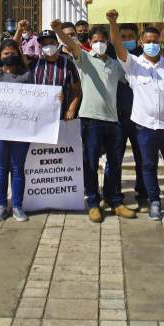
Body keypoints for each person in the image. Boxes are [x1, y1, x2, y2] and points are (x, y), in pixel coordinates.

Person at [106, 9, 164, 221]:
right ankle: (154, 202)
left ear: (160, 41)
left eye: (155, 40)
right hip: (144, 127)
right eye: (147, 40)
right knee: (148, 166)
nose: (151, 43)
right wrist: (113, 22)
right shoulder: (133, 64)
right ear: (142, 41)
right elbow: (116, 43)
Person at [53, 20, 135, 223]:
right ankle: (92, 202)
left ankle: (114, 200)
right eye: (95, 40)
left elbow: (131, 79)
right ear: (90, 42)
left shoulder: (116, 66)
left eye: (102, 40)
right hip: (90, 120)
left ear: (107, 42)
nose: (100, 43)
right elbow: (72, 45)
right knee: (90, 163)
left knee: (114, 164)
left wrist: (113, 24)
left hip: (113, 121)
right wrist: (57, 30)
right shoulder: (85, 59)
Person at [0, 39, 36, 222]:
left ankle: (17, 205)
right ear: (0, 56)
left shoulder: (27, 75)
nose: (9, 56)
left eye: (13, 53)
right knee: (0, 168)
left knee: (17, 168)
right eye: (6, 53)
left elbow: (35, 101)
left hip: (20, 131)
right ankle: (1, 205)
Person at [112, 22, 148, 209]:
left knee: (141, 158)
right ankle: (114, 195)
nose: (126, 40)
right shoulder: (112, 55)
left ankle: (143, 193)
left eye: (129, 36)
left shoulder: (145, 57)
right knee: (114, 159)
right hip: (118, 115)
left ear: (137, 37)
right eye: (122, 37)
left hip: (140, 116)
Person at [30, 29, 82, 123]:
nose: (48, 46)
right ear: (40, 46)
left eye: (51, 43)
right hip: (37, 118)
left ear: (57, 44)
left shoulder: (68, 64)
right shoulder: (34, 64)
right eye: (45, 44)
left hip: (61, 118)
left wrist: (71, 109)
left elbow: (77, 90)